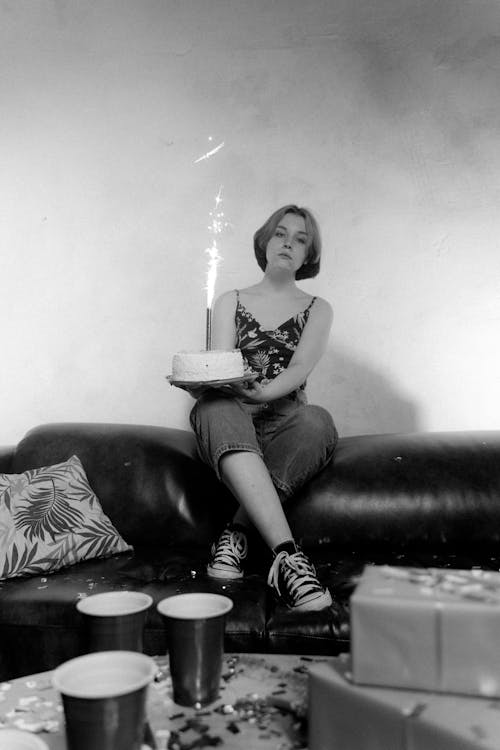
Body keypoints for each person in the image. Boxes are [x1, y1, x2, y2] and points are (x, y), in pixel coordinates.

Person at [188, 204, 338, 612]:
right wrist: (219, 386)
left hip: (288, 423)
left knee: (317, 419)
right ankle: (290, 558)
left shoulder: (318, 308)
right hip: (231, 422)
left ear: (309, 255)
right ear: (265, 242)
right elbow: (219, 364)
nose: (288, 243)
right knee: (212, 407)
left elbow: (301, 367)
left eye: (300, 239)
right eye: (280, 233)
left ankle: (236, 533)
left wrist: (263, 392)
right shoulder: (229, 300)